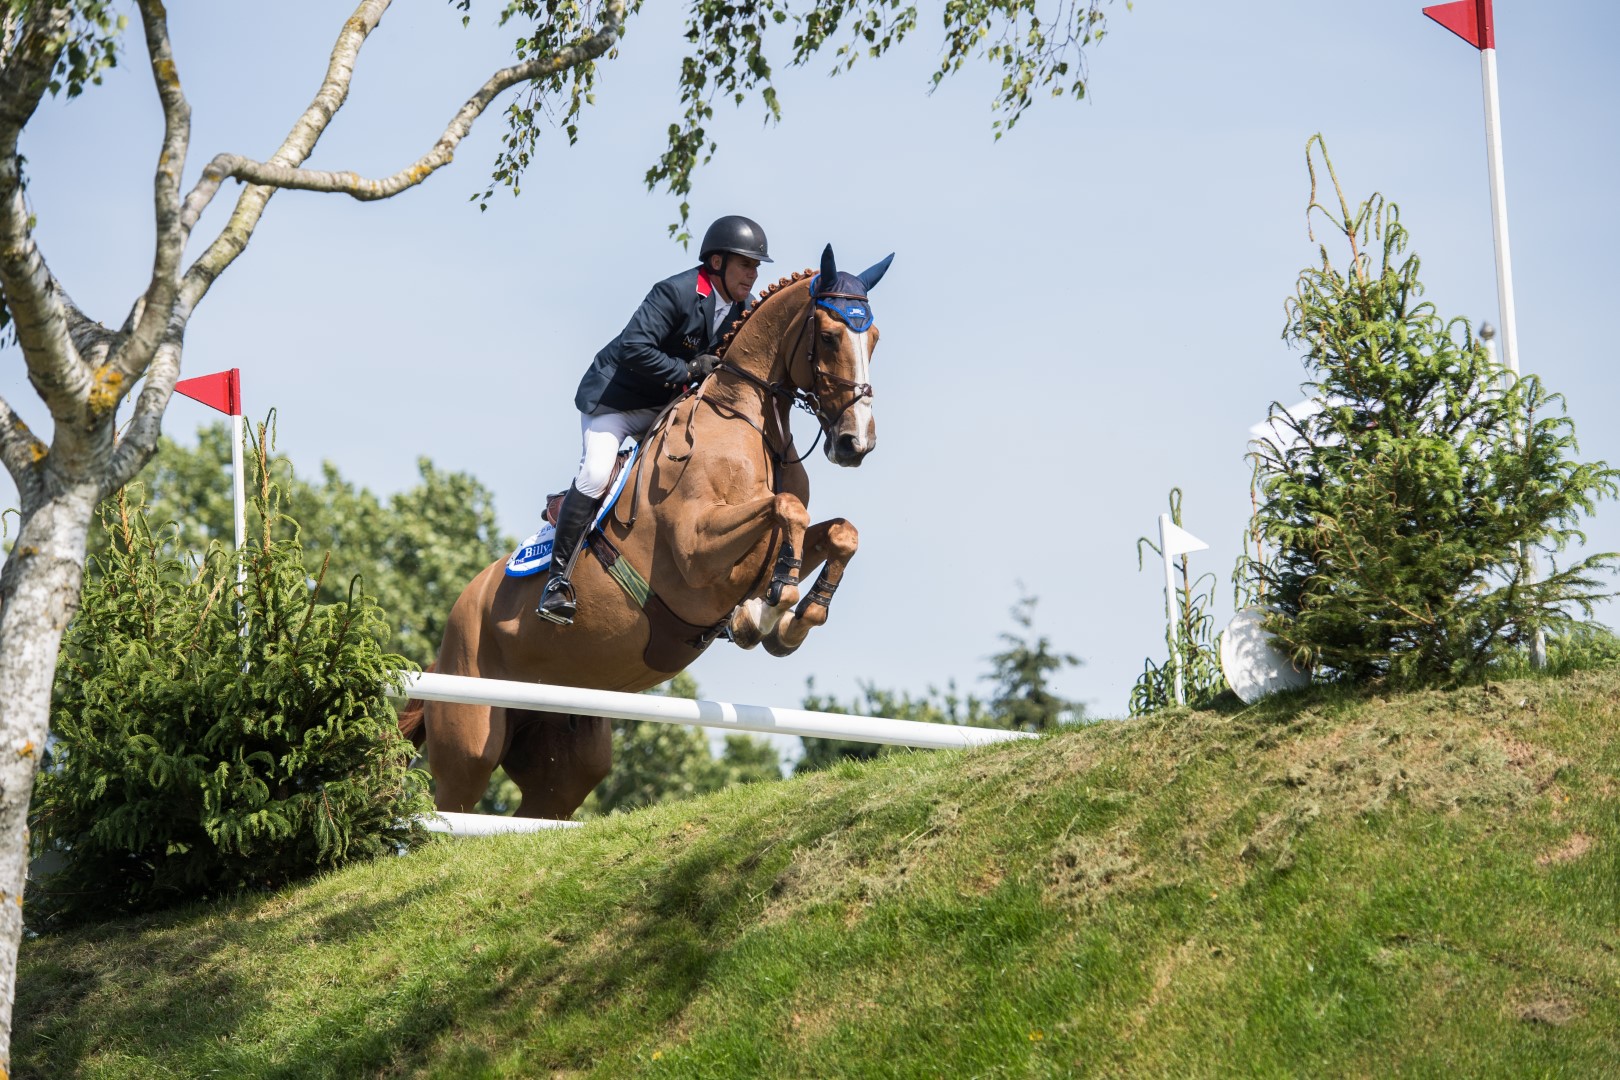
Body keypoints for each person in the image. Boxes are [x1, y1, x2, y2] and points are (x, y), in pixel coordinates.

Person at [536, 214, 772, 625]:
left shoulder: (742, 311)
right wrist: (687, 371)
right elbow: (633, 348)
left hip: (664, 409)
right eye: (746, 264)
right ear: (716, 263)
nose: (752, 275)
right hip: (616, 402)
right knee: (594, 474)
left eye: (756, 267)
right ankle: (557, 582)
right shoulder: (675, 292)